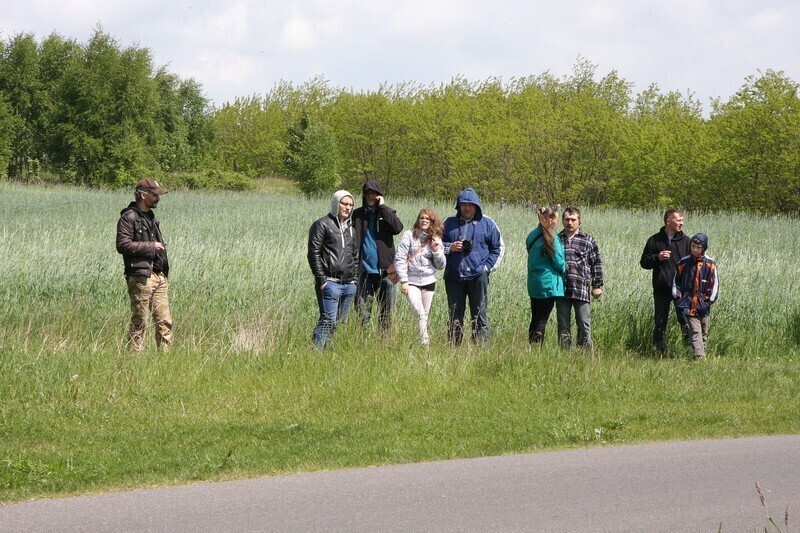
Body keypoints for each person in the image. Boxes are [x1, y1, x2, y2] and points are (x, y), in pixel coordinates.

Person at [442, 188, 505, 346]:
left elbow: (498, 248)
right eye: (464, 204)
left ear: (477, 206)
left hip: (478, 276)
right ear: (458, 206)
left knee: (479, 315)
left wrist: (487, 268)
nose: (467, 208)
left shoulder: (487, 223)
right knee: (455, 316)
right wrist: (450, 247)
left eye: (471, 204)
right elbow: (433, 246)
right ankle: (453, 349)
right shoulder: (448, 224)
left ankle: (480, 349)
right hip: (454, 276)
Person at [116, 179, 173, 352]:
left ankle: (166, 360)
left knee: (164, 321)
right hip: (140, 276)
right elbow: (122, 245)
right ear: (143, 195)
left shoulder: (150, 217)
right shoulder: (128, 217)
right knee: (140, 321)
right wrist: (151, 246)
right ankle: (134, 358)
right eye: (154, 194)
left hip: (158, 275)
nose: (158, 198)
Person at [307, 190, 359, 350]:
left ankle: (327, 350)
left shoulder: (351, 229)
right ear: (336, 203)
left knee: (338, 321)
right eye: (344, 203)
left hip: (349, 284)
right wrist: (322, 280)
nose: (348, 207)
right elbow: (313, 253)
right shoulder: (322, 224)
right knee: (328, 319)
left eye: (351, 205)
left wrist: (355, 280)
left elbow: (355, 255)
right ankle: (315, 352)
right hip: (330, 282)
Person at [352, 181, 403, 330]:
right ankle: (362, 342)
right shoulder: (357, 215)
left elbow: (397, 228)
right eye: (368, 193)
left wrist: (382, 207)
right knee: (362, 314)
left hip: (386, 273)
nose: (370, 196)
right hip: (364, 272)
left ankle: (383, 343)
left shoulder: (387, 213)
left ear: (380, 195)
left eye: (374, 193)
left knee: (386, 315)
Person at [640, 209, 691, 352]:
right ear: (668, 221)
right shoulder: (654, 240)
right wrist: (657, 257)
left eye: (682, 220)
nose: (682, 223)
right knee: (660, 323)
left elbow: (693, 264)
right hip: (661, 288)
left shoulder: (686, 241)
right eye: (679, 220)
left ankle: (687, 350)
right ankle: (657, 352)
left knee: (685, 321)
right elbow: (644, 263)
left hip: (681, 290)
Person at [394, 208, 446, 345]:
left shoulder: (436, 238)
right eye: (422, 218)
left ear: (432, 222)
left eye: (427, 219)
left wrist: (436, 251)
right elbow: (399, 258)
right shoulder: (409, 235)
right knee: (419, 313)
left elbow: (441, 265)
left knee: (423, 316)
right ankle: (425, 344)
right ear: (418, 220)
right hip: (411, 281)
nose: (424, 220)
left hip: (429, 281)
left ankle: (417, 343)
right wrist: (404, 281)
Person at [556, 207, 604, 349]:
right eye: (567, 219)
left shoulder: (588, 240)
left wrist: (597, 286)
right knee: (563, 324)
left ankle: (584, 354)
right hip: (561, 289)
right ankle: (565, 354)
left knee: (583, 323)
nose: (570, 222)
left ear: (579, 221)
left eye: (573, 219)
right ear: (562, 221)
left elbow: (597, 264)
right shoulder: (557, 240)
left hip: (581, 288)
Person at [672, 233, 719, 359]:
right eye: (693, 246)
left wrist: (708, 301)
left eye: (698, 247)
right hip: (687, 304)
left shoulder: (710, 264)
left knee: (704, 331)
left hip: (703, 305)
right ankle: (699, 357)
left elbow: (715, 285)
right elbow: (676, 282)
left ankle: (699, 355)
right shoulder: (683, 263)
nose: (695, 250)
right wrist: (679, 299)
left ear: (703, 248)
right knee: (695, 331)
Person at [526, 206, 566, 344]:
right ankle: (537, 350)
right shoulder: (552, 238)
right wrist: (564, 271)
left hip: (533, 282)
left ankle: (532, 346)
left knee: (535, 317)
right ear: (549, 220)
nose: (556, 222)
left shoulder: (532, 235)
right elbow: (559, 262)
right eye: (555, 218)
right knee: (542, 320)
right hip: (548, 284)